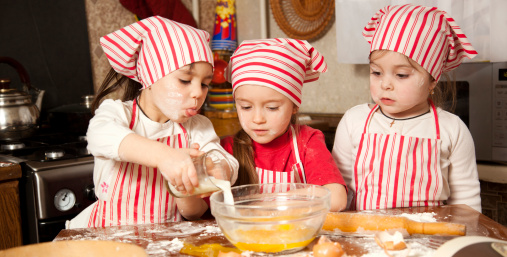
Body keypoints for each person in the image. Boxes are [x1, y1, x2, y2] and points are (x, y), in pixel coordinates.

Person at [67, 16, 238, 228]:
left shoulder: (197, 127)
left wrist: (219, 169)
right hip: (108, 239)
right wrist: (165, 157)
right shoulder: (119, 114)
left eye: (205, 84)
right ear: (150, 76)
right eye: (185, 80)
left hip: (166, 242)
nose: (197, 93)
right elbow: (99, 135)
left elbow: (224, 163)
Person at [332, 4, 481, 212]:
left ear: (432, 80)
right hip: (363, 237)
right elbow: (340, 191)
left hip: (431, 241)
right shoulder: (353, 121)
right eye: (376, 72)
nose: (385, 84)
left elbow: (466, 202)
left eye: (401, 75)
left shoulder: (453, 130)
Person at [221, 38, 348, 212]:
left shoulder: (307, 142)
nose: (258, 118)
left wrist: (270, 203)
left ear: (294, 105)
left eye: (272, 107)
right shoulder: (228, 149)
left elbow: (337, 198)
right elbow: (200, 209)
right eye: (246, 107)